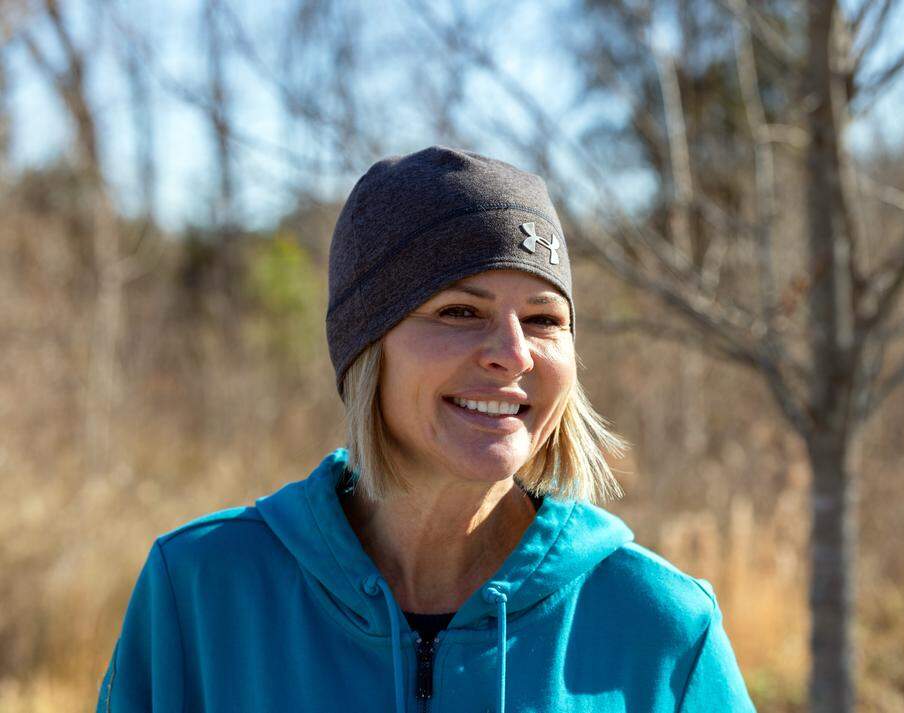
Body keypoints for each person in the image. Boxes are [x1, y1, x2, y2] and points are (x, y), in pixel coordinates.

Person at [96, 146, 755, 712]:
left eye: (544, 318)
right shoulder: (202, 593)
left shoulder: (660, 626)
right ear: (366, 348)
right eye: (460, 309)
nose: (515, 352)